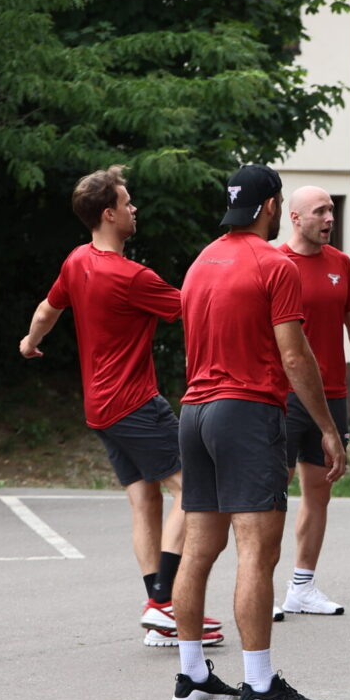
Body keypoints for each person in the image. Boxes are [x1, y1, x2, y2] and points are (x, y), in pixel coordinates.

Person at [166, 164, 347, 700]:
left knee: (198, 550)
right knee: (257, 552)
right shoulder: (275, 265)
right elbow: (295, 355)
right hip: (246, 413)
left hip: (194, 412)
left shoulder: (200, 263)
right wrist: (327, 427)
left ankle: (193, 677)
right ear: (271, 207)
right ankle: (260, 686)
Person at [20, 166, 223, 649]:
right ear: (109, 214)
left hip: (100, 409)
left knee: (144, 500)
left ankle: (159, 609)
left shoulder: (77, 262)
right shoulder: (133, 278)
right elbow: (196, 309)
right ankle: (164, 602)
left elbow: (47, 310)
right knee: (194, 488)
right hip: (135, 404)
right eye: (127, 203)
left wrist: (29, 342)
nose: (134, 209)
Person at [270, 186, 350, 619]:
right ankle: (261, 587)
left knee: (319, 492)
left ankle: (302, 587)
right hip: (282, 394)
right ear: (295, 218)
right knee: (271, 494)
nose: (330, 218)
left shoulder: (341, 264)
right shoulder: (274, 263)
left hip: (331, 395)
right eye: (320, 211)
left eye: (331, 210)